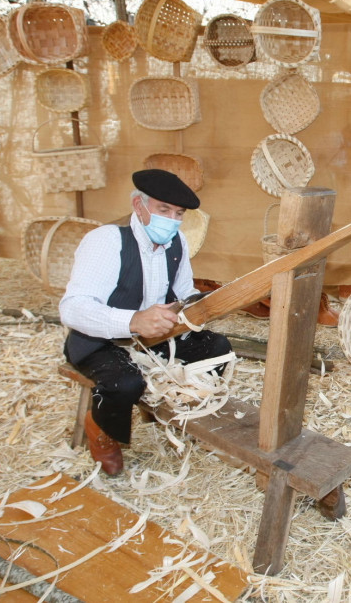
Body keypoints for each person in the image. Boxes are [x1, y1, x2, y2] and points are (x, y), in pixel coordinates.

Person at [60, 169, 233, 476]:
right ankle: (100, 428)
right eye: (163, 209)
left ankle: (180, 408)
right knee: (125, 382)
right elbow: (73, 309)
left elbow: (184, 291)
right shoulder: (106, 241)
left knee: (217, 347)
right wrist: (133, 320)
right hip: (100, 339)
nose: (172, 220)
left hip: (154, 338)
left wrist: (204, 304)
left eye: (178, 213)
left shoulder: (176, 241)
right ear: (138, 205)